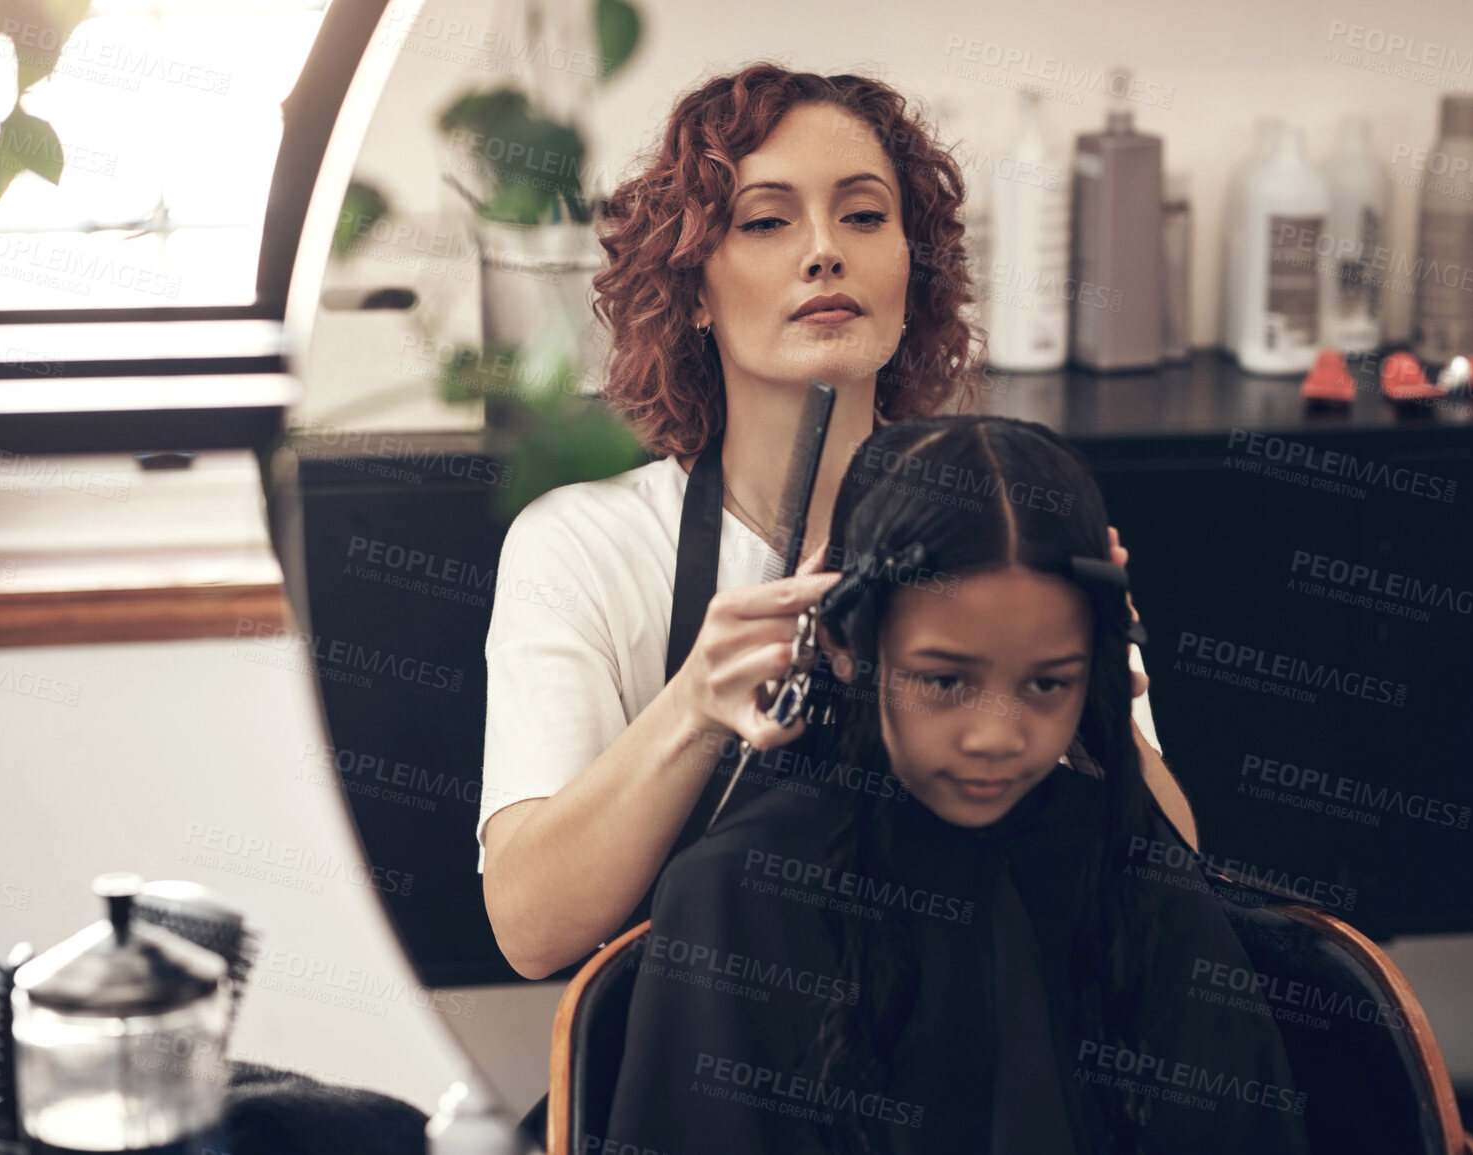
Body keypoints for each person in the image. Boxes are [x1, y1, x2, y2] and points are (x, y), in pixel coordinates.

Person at [477, 62, 1195, 987]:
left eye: (863, 215)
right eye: (767, 220)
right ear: (691, 287)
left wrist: (1094, 708)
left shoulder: (1012, 522)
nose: (825, 251)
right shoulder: (580, 547)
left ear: (911, 264)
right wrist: (697, 702)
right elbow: (532, 932)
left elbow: (1179, 880)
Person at [602, 416, 1311, 1154]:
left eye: (1047, 681)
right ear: (845, 645)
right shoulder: (737, 895)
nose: (996, 735)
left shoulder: (1140, 878)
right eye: (943, 679)